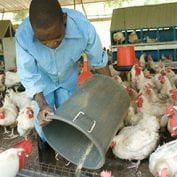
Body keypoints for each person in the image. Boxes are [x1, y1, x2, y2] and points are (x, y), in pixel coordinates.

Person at [15, 0, 111, 165]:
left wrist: (111, 95)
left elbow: (99, 62)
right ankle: (48, 164)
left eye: (57, 39)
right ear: (32, 29)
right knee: (44, 123)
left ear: (64, 20)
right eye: (43, 43)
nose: (51, 45)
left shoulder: (83, 28)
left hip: (68, 78)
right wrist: (42, 103)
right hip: (42, 83)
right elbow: (29, 74)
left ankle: (74, 161)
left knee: (72, 120)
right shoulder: (23, 35)